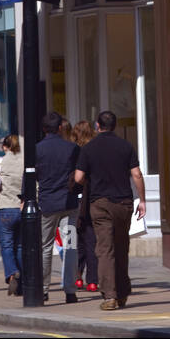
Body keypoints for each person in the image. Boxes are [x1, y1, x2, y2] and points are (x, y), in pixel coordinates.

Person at [73, 110, 146, 311]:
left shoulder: (89, 148)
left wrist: (90, 177)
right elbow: (137, 174)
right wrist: (143, 200)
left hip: (100, 203)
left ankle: (109, 296)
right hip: (123, 203)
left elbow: (78, 178)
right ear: (114, 125)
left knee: (105, 249)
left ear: (98, 125)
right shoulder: (126, 146)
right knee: (122, 247)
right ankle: (122, 293)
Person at [35, 111, 80, 303]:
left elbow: (31, 175)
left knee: (45, 247)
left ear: (44, 129)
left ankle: (44, 289)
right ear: (60, 127)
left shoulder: (37, 149)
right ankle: (70, 291)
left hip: (47, 204)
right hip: (69, 203)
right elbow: (80, 176)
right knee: (70, 246)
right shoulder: (72, 148)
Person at [0, 134, 24, 295]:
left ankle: (12, 273)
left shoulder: (0, 162)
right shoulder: (25, 162)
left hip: (5, 208)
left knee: (7, 245)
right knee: (20, 245)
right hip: (21, 207)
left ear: (5, 147)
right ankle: (22, 279)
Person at [72, 120, 99, 292]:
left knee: (78, 242)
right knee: (91, 241)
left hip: (76, 199)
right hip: (91, 198)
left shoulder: (74, 151)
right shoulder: (94, 150)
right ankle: (92, 281)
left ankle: (78, 277)